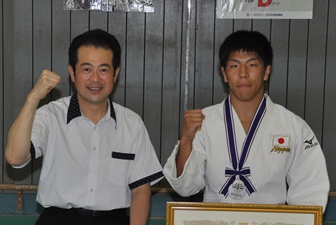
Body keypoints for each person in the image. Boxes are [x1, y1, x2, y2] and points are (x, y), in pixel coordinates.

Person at [5, 29, 163, 225]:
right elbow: (15, 157)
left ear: (116, 74)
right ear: (72, 72)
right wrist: (32, 99)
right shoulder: (50, 116)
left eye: (103, 70)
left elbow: (141, 189)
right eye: (86, 69)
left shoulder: (132, 123)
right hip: (58, 219)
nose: (95, 79)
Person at [163, 30, 330, 211]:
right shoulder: (203, 122)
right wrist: (186, 139)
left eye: (252, 65)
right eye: (234, 66)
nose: (243, 74)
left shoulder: (292, 125)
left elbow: (310, 191)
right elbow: (185, 188)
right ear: (224, 74)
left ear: (266, 71)